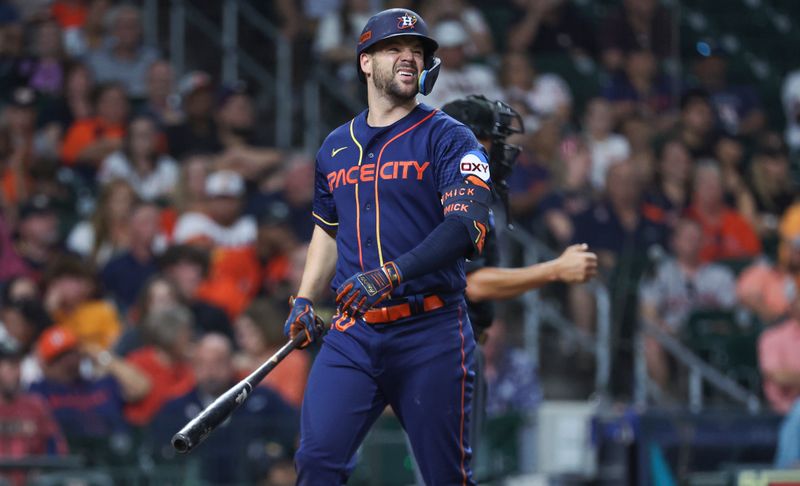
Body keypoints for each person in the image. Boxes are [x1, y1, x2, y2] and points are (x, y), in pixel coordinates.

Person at [282, 9, 495, 484]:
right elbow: (327, 230)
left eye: (417, 52)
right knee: (316, 462)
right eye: (395, 48)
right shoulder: (335, 146)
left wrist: (392, 273)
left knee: (446, 477)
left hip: (431, 329)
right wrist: (303, 298)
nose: (409, 57)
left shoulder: (450, 136)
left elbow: (467, 227)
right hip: (353, 334)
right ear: (366, 61)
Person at [151, 333, 299, 484]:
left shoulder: (263, 399)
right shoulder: (175, 408)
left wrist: (278, 462)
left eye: (218, 362)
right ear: (193, 366)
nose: (210, 371)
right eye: (202, 363)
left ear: (231, 363)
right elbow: (160, 455)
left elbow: (295, 433)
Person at [638, 218, 737, 386]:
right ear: (674, 241)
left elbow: (733, 315)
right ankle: (667, 400)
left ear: (703, 242)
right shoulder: (660, 273)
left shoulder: (720, 275)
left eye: (696, 238)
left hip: (710, 334)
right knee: (650, 342)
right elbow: (648, 312)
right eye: (687, 237)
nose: (692, 242)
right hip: (672, 334)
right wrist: (665, 329)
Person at [0, 337, 68, 486]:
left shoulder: (36, 405)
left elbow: (57, 449)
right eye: (10, 366)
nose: (17, 373)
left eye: (18, 365)